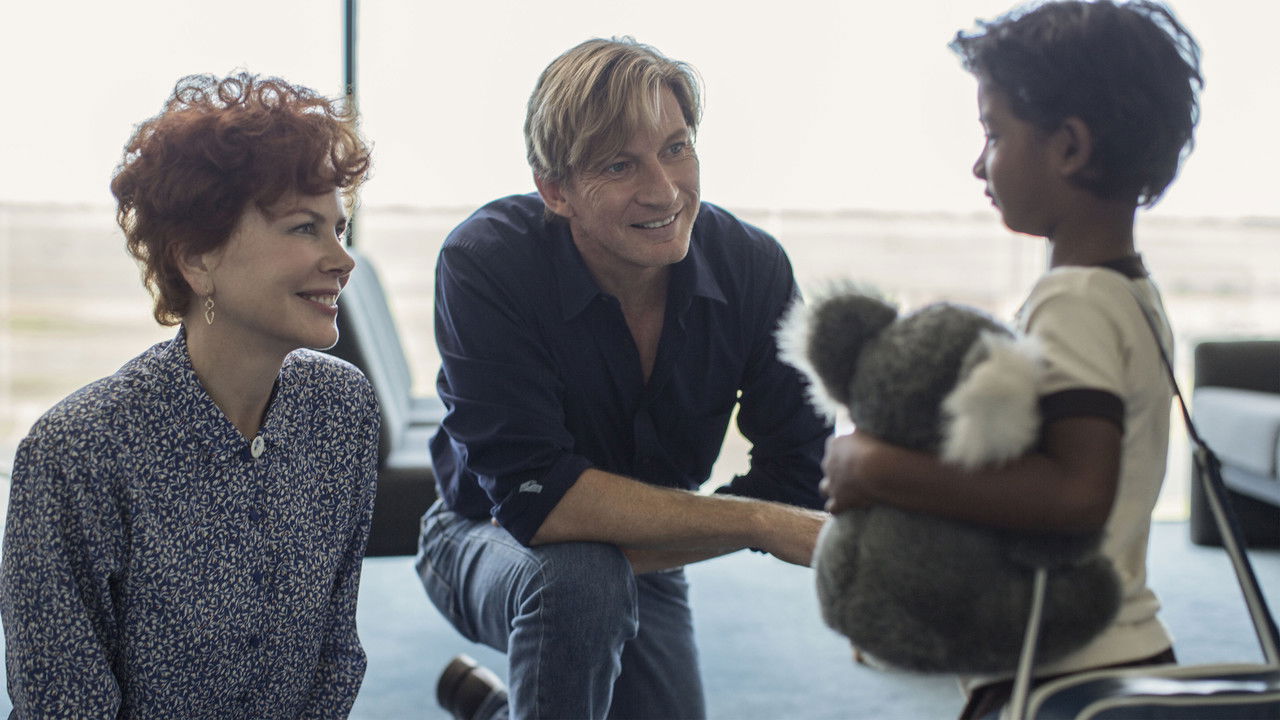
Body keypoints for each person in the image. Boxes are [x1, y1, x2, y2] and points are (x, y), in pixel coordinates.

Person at [419, 37, 832, 720]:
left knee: (596, 581)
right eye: (619, 164)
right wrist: (759, 522)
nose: (664, 190)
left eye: (676, 147)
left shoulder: (753, 268)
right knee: (581, 583)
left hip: (646, 553)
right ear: (556, 190)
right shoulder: (487, 260)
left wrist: (734, 520)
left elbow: (799, 474)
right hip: (480, 535)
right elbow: (535, 501)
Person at [818, 1, 1203, 717]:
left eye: (993, 132)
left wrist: (872, 467)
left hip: (1066, 672)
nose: (978, 162)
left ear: (1070, 147)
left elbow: (1076, 494)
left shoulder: (1075, 301)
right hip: (1121, 652)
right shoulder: (1130, 292)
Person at [0, 72, 378, 717]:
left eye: (338, 229)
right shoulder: (79, 452)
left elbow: (336, 652)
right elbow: (64, 703)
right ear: (197, 259)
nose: (343, 260)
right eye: (303, 229)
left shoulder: (341, 408)